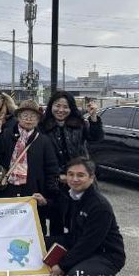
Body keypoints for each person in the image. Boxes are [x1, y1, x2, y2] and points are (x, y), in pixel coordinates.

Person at [46, 157, 126, 276]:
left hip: (106, 255)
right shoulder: (70, 195)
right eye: (70, 174)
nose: (74, 179)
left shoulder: (99, 206)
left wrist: (62, 265)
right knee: (42, 244)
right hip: (79, 244)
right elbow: (57, 215)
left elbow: (88, 244)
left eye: (80, 175)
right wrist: (44, 203)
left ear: (91, 177)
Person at [0, 100, 60, 231]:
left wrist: (47, 197)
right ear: (18, 117)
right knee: (5, 227)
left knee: (32, 228)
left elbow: (51, 169)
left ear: (38, 120)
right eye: (25, 115)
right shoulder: (7, 133)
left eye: (33, 116)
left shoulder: (44, 141)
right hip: (7, 190)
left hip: (32, 191)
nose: (29, 119)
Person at [39, 91, 104, 235]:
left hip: (79, 179)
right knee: (56, 220)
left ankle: (80, 247)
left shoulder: (79, 123)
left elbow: (96, 137)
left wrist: (93, 117)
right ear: (51, 106)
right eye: (57, 106)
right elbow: (41, 156)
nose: (61, 110)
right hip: (56, 182)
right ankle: (57, 248)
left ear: (71, 108)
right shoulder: (42, 127)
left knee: (81, 219)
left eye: (65, 107)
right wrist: (57, 176)